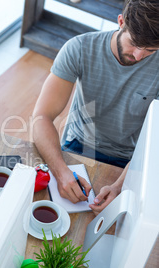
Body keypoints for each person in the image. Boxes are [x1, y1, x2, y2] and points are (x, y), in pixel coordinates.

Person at [32, 0, 159, 214]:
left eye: (150, 50)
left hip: (131, 159)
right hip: (79, 145)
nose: (138, 56)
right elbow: (41, 117)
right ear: (121, 22)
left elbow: (154, 143)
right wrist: (62, 173)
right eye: (134, 43)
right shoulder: (80, 48)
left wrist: (121, 186)